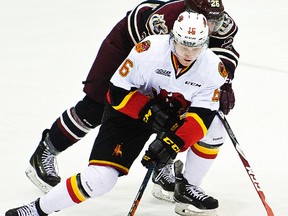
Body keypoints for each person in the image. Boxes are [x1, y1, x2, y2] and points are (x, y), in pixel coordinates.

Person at [6, 11, 227, 216]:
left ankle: (187, 186)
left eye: (196, 48)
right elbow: (117, 94)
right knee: (100, 180)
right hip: (129, 115)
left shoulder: (212, 68)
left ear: (205, 44)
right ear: (172, 39)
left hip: (173, 117)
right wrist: (150, 113)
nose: (189, 54)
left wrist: (171, 145)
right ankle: (35, 210)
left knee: (215, 126)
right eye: (183, 46)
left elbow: (202, 117)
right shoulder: (148, 51)